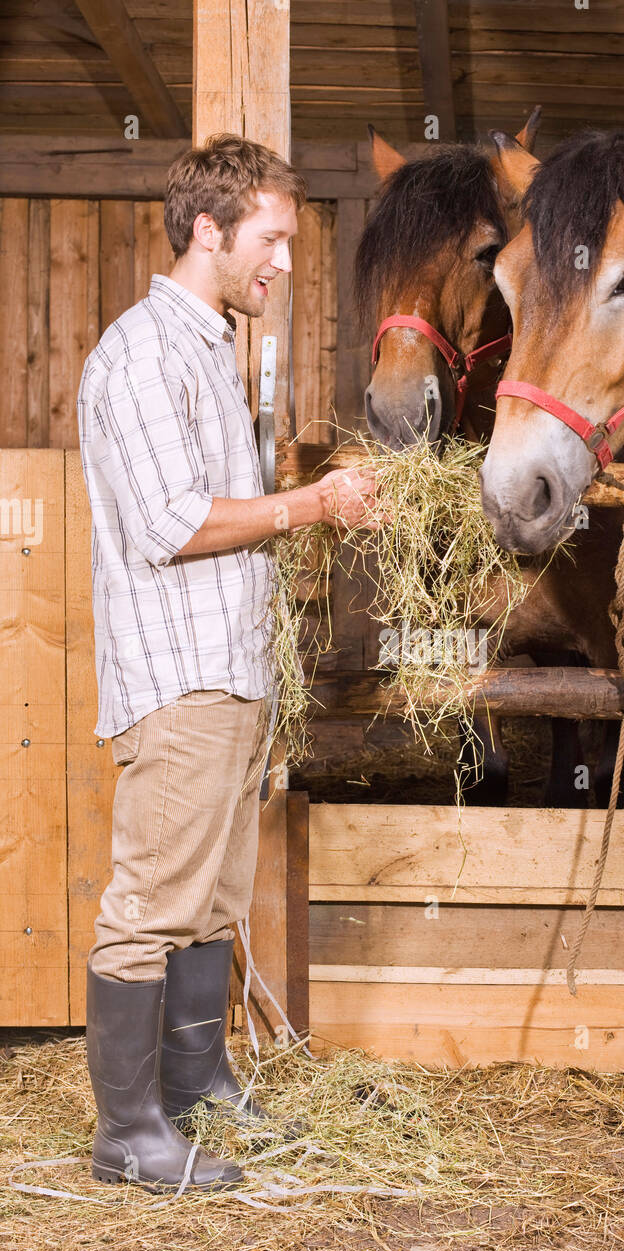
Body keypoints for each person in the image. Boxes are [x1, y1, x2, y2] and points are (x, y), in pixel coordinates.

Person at [77, 133, 384, 1191]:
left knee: (211, 901)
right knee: (149, 906)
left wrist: (310, 506)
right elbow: (168, 521)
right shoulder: (140, 354)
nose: (285, 263)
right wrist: (307, 505)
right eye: (272, 239)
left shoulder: (206, 348)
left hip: (234, 671)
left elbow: (225, 514)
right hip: (181, 678)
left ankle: (195, 1085)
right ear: (207, 231)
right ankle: (127, 1135)